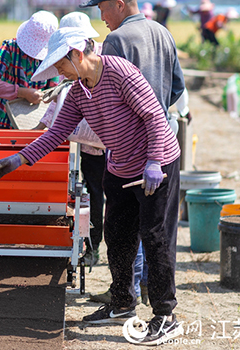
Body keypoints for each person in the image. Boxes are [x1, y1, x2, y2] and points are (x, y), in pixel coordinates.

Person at [0, 27, 182, 344]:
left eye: (60, 64)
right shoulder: (77, 92)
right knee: (116, 235)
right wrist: (16, 161)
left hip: (154, 165)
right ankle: (122, 302)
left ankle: (165, 315)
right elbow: (55, 134)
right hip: (119, 166)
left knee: (154, 237)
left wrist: (155, 160)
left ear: (76, 54)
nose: (58, 71)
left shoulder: (120, 72)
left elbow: (154, 115)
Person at [80, 0, 185, 307]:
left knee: (125, 229)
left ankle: (130, 296)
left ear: (120, 5)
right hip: (164, 143)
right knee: (160, 231)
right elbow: (177, 87)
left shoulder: (117, 40)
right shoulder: (162, 31)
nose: (101, 18)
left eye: (102, 8)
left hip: (134, 150)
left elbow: (105, 94)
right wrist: (159, 105)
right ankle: (158, 296)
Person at [33, 11, 105, 267]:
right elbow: (63, 102)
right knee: (94, 194)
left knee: (109, 196)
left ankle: (100, 248)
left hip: (114, 145)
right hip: (91, 146)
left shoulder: (103, 60)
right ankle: (93, 247)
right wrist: (38, 131)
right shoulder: (72, 65)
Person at [0, 10, 60, 129]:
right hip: (7, 120)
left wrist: (42, 96)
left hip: (38, 121)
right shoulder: (9, 48)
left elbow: (54, 89)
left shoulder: (52, 54)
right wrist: (21, 92)